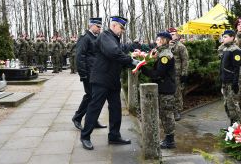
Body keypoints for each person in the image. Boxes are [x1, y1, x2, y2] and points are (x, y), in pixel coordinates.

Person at [80, 16, 140, 150]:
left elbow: (119, 53)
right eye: (121, 28)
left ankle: (114, 135)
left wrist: (131, 56)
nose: (122, 31)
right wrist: (130, 61)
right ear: (113, 26)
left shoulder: (114, 39)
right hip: (101, 79)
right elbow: (113, 53)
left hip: (112, 80)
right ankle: (85, 136)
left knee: (115, 109)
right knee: (95, 108)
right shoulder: (105, 36)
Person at [141, 31, 176, 149]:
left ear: (163, 40)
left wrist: (143, 69)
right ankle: (168, 138)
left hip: (166, 89)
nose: (156, 41)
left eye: (157, 39)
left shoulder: (165, 55)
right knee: (164, 114)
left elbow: (159, 74)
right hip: (164, 88)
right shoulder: (161, 53)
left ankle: (170, 140)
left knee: (167, 115)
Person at [72, 18, 107, 130]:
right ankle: (77, 118)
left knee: (94, 97)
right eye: (98, 26)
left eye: (100, 27)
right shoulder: (85, 38)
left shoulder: (94, 37)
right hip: (88, 73)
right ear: (91, 26)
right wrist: (83, 74)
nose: (99, 29)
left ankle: (93, 119)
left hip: (95, 73)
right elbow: (79, 57)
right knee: (90, 96)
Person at [219, 30, 241, 125]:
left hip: (232, 82)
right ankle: (232, 124)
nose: (223, 39)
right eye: (223, 37)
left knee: (233, 104)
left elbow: (238, 68)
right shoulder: (225, 49)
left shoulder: (236, 50)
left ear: (232, 37)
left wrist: (235, 82)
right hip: (225, 81)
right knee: (227, 105)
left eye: (225, 37)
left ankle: (238, 126)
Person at [167, 27, 189, 121]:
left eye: (173, 34)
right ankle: (170, 110)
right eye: (170, 35)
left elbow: (185, 60)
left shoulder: (181, 46)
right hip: (168, 73)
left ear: (176, 35)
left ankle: (177, 111)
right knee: (169, 92)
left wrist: (184, 73)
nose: (171, 36)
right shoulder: (166, 46)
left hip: (177, 73)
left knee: (177, 93)